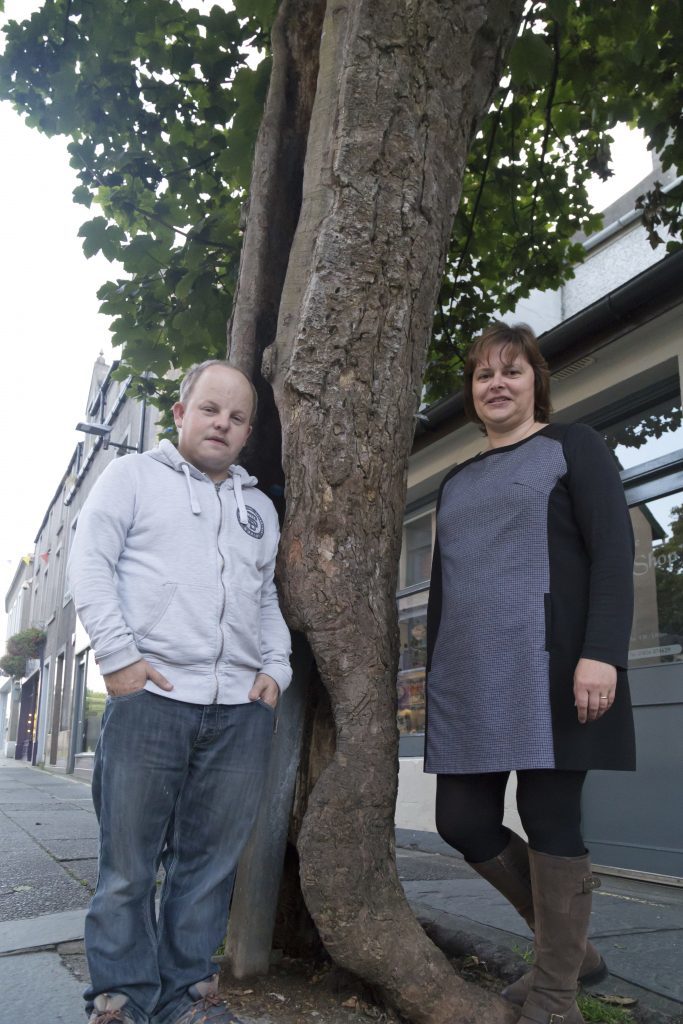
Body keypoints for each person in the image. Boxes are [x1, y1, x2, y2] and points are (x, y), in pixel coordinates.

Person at [68, 360, 292, 1024]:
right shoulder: (132, 477)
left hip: (238, 716)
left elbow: (265, 599)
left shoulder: (258, 509)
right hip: (152, 701)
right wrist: (118, 655)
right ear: (180, 413)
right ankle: (119, 997)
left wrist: (274, 671)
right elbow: (90, 560)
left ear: (248, 430)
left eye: (237, 416)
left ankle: (185, 996)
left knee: (208, 868)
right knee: (128, 867)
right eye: (210, 409)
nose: (222, 423)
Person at [425, 322, 635, 1024]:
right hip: (467, 679)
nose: (496, 384)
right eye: (484, 373)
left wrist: (601, 652)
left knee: (549, 818)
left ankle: (553, 993)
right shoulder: (455, 480)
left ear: (534, 380)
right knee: (460, 820)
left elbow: (611, 554)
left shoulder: (573, 447)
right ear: (471, 391)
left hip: (551, 669)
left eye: (511, 370)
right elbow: (446, 585)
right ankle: (570, 951)